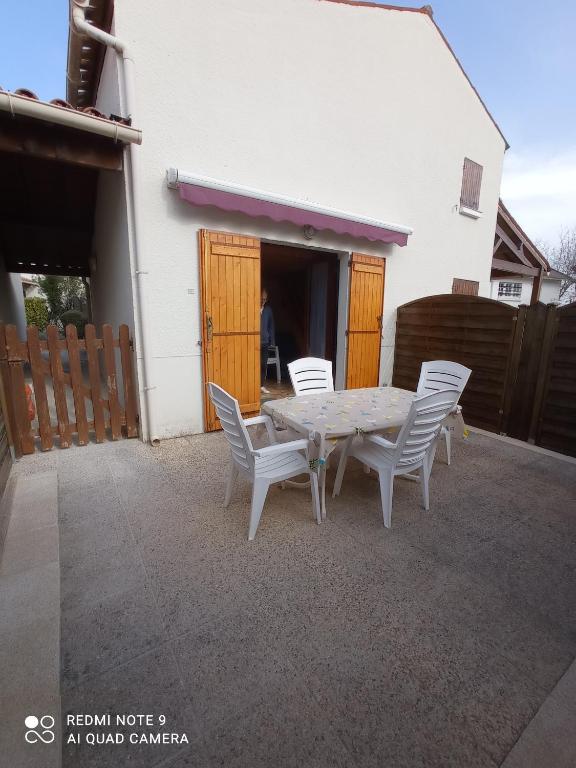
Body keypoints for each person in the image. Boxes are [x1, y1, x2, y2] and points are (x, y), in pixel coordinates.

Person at [260, 288, 275, 394]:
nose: (263, 301)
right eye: (261, 298)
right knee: (253, 364)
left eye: (265, 299)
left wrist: (272, 341)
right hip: (253, 342)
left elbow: (271, 326)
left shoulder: (268, 310)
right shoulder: (252, 308)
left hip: (265, 341)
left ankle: (261, 385)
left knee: (263, 364)